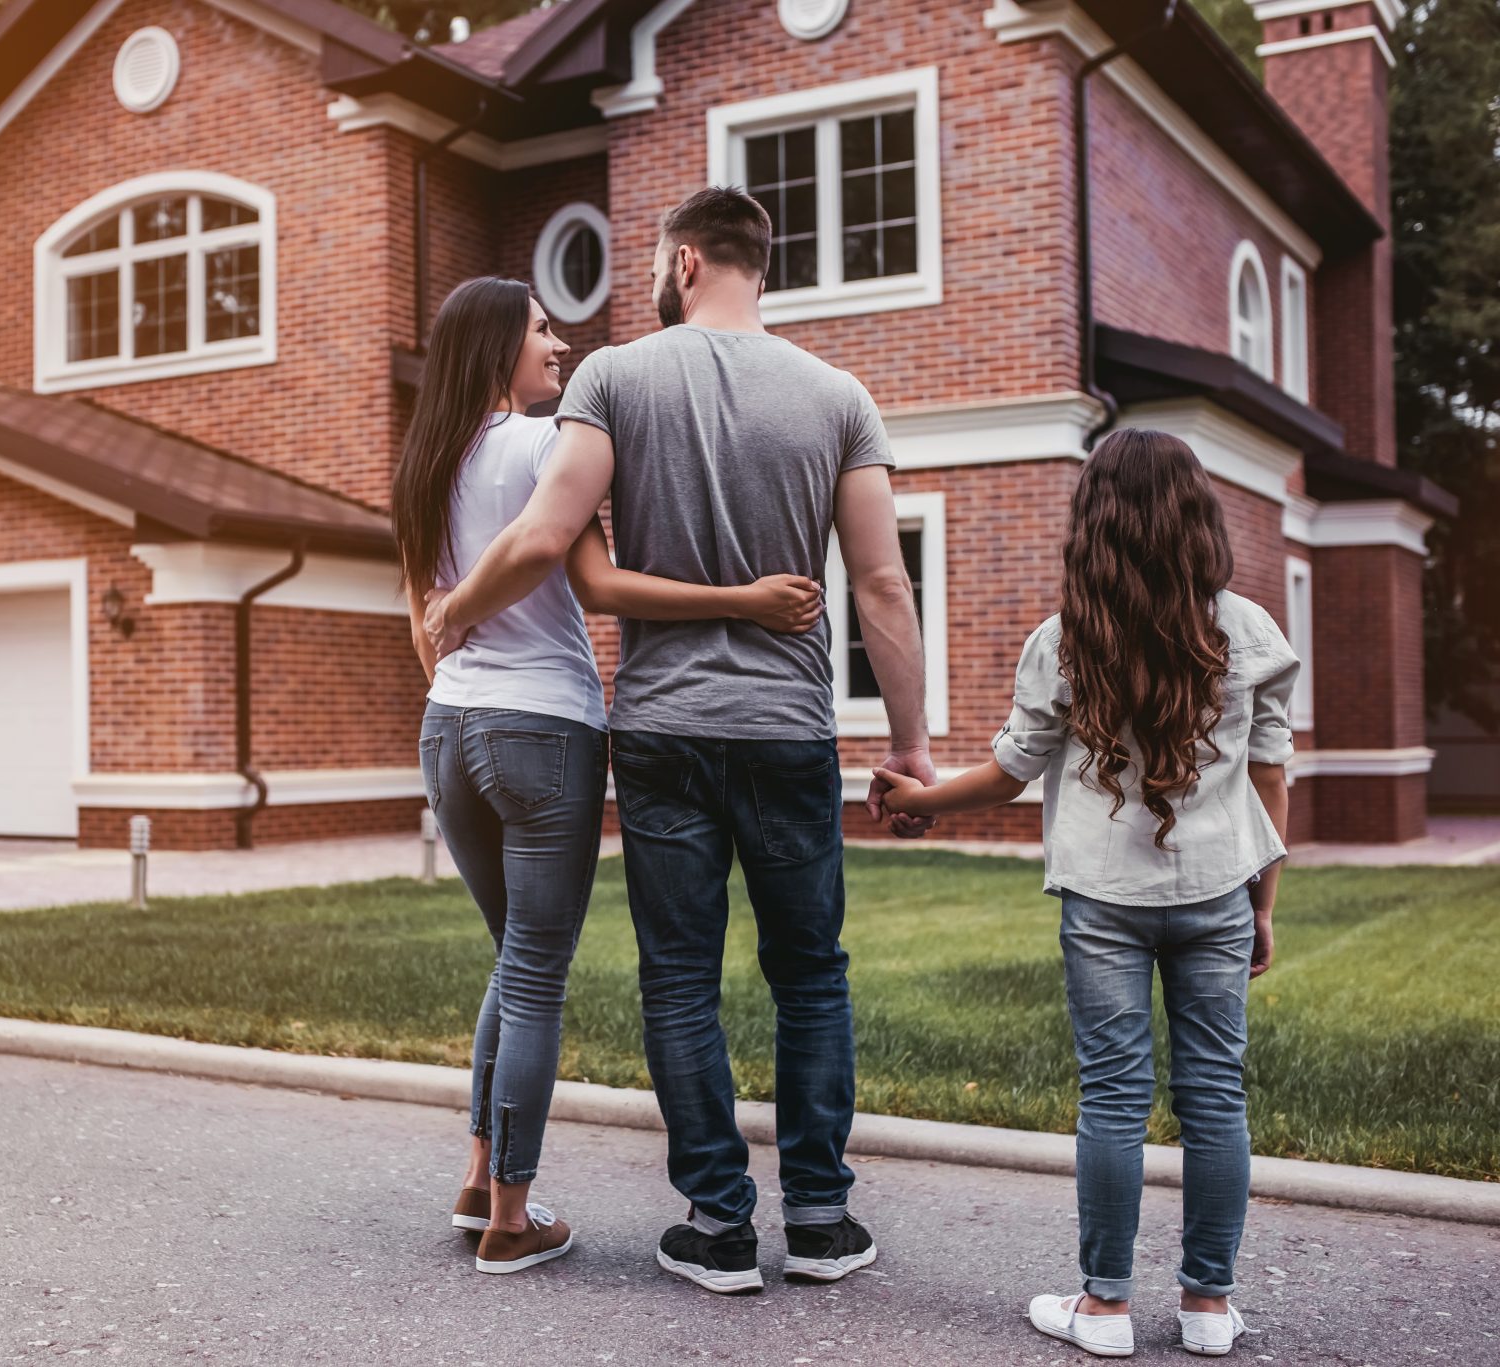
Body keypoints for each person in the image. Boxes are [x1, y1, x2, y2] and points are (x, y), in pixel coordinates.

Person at [425, 188, 934, 1294]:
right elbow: (883, 585)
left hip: (658, 728)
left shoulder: (612, 376)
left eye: (656, 260)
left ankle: (713, 1223)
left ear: (686, 260)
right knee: (811, 976)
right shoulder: (839, 395)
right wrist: (912, 748)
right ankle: (817, 1217)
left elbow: (554, 538)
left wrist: (453, 609)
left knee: (677, 981)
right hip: (788, 730)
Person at [394, 274, 822, 1276]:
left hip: (448, 725)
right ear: (498, 345)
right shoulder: (550, 448)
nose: (560, 342)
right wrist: (744, 600)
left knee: (513, 956)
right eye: (542, 329)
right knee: (536, 970)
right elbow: (594, 581)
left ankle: (475, 1169)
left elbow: (424, 617)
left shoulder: (421, 463)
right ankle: (511, 1215)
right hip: (543, 727)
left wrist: (462, 668)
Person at [873, 428, 1296, 1359]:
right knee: (1216, 1095)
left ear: (1093, 522)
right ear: (1197, 519)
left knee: (1113, 1095)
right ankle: (1207, 1307)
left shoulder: (1066, 640)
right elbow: (1273, 780)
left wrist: (920, 803)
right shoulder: (1250, 631)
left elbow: (1008, 770)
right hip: (1220, 885)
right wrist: (1263, 903)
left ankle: (1104, 1308)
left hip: (1104, 895)